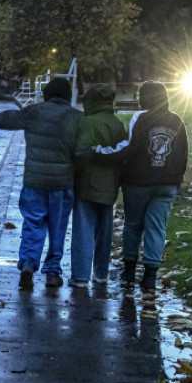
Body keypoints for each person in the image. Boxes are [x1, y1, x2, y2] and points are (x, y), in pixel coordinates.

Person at [91, 80, 188, 291]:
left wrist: (100, 151)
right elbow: (182, 154)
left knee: (133, 225)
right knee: (157, 227)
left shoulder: (140, 117)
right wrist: (175, 178)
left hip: (138, 182)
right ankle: (150, 276)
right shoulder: (177, 120)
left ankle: (128, 272)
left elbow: (129, 146)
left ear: (145, 98)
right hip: (167, 184)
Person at [0, 77, 81, 289]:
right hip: (62, 183)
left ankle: (28, 263)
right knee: (58, 228)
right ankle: (52, 272)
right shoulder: (76, 117)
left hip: (34, 181)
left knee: (33, 223)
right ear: (67, 96)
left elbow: (10, 117)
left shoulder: (34, 112)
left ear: (47, 94)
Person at [69, 84, 127, 288]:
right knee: (105, 232)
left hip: (86, 184)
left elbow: (80, 154)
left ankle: (81, 276)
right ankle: (101, 273)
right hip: (110, 185)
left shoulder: (86, 123)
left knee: (83, 230)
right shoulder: (118, 124)